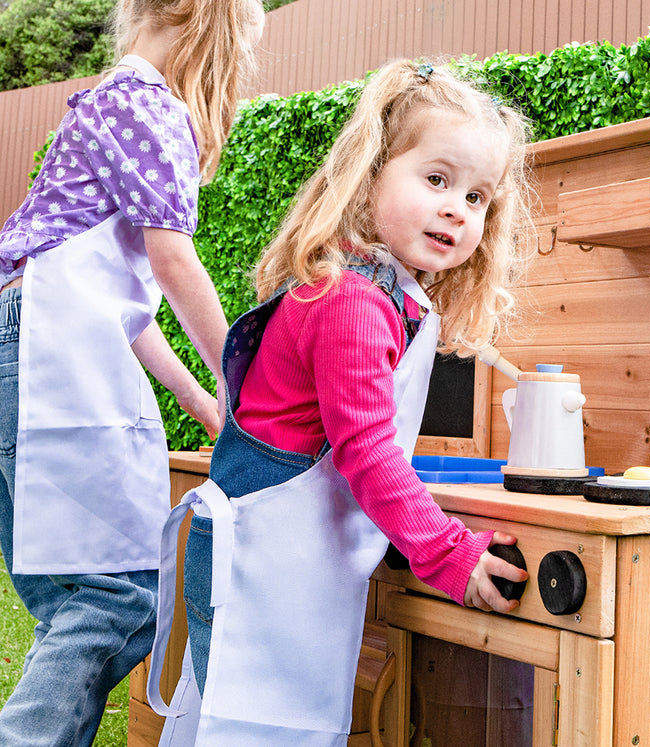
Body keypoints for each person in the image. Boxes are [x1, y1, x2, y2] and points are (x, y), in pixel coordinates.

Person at [147, 59, 535, 745]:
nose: (456, 207)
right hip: (263, 566)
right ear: (371, 174)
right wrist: (450, 553)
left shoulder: (383, 295)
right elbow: (365, 449)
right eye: (436, 179)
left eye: (477, 197)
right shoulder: (352, 301)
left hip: (284, 561)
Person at [0, 0, 264, 747]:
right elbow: (172, 260)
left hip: (35, 334)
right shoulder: (147, 104)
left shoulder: (115, 103)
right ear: (193, 17)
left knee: (84, 598)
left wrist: (197, 395)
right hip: (40, 343)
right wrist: (245, 377)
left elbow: (130, 303)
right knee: (112, 598)